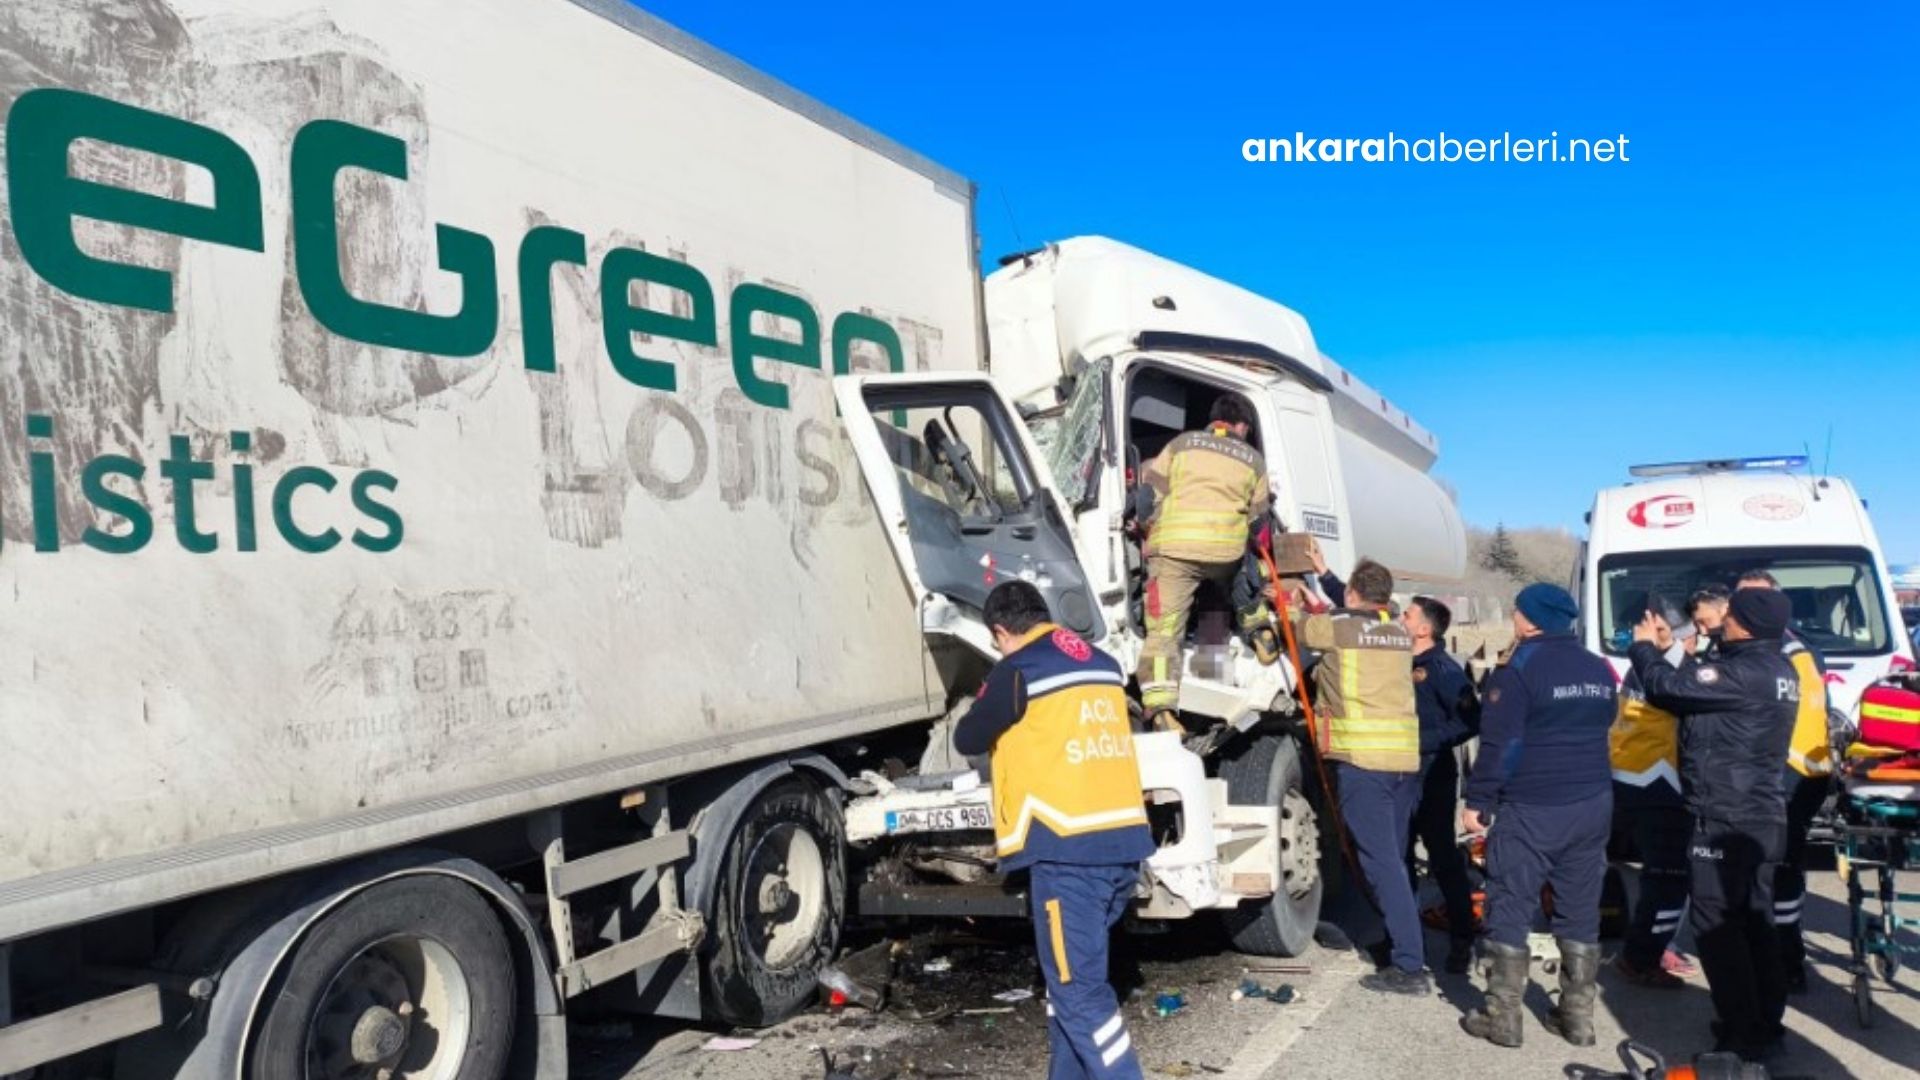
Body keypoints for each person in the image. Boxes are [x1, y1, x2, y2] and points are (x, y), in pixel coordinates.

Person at [953, 581, 1153, 1080]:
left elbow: (968, 736)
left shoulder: (1018, 670)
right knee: (1067, 988)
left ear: (1001, 631)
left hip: (1068, 856)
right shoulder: (1103, 663)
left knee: (1080, 996)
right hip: (1121, 844)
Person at [1629, 587, 1799, 1061]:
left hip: (1726, 815)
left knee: (1720, 928)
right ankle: (1765, 1023)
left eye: (1732, 614)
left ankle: (1740, 1034)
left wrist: (1644, 647)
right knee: (1756, 923)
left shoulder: (1743, 672)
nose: (1724, 619)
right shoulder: (1776, 667)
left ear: (1744, 622)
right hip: (1762, 814)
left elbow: (1668, 691)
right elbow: (1701, 692)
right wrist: (1672, 650)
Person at [1461, 583, 1616, 1049]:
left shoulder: (1519, 671)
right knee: (1580, 905)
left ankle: (1502, 1018)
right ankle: (1577, 1019)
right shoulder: (1597, 668)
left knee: (1510, 901)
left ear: (1531, 620)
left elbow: (1501, 745)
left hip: (1534, 804)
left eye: (1517, 610)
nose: (1513, 616)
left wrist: (1478, 801)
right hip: (1592, 801)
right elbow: (1607, 720)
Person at [1294, 549, 1427, 995]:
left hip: (1363, 763)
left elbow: (1298, 626)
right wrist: (1327, 577)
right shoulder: (1397, 631)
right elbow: (1357, 613)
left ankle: (1410, 966)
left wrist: (1297, 595)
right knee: (1395, 859)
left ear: (1353, 593)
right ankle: (1398, 940)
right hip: (1403, 764)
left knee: (1381, 864)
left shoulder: (1336, 628)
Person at [1135, 396, 1272, 731]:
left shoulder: (1180, 445)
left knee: (1164, 630)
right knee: (1232, 585)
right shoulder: (1253, 460)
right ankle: (1255, 636)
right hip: (1224, 553)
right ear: (1241, 426)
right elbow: (1259, 523)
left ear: (1214, 420)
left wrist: (1146, 528)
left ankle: (1162, 709)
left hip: (1175, 551)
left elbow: (1146, 498)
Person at [1733, 569, 1834, 994]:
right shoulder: (1801, 647)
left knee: (1772, 869)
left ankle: (1781, 959)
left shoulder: (1777, 653)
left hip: (1784, 773)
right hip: (1805, 770)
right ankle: (1784, 957)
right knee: (1784, 867)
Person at [1609, 596, 1695, 989]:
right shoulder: (1667, 670)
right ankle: (1643, 957)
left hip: (1632, 779)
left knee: (1659, 878)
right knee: (1668, 879)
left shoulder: (1638, 668)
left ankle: (1647, 949)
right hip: (1661, 784)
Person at [1402, 595, 1482, 974]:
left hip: (1432, 774)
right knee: (1398, 856)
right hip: (1399, 774)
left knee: (1442, 857)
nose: (1400, 618)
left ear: (1424, 628)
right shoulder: (1399, 662)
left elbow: (1470, 721)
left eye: (1407, 614)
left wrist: (1424, 740)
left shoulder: (1443, 670)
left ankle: (1462, 937)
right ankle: (1401, 941)